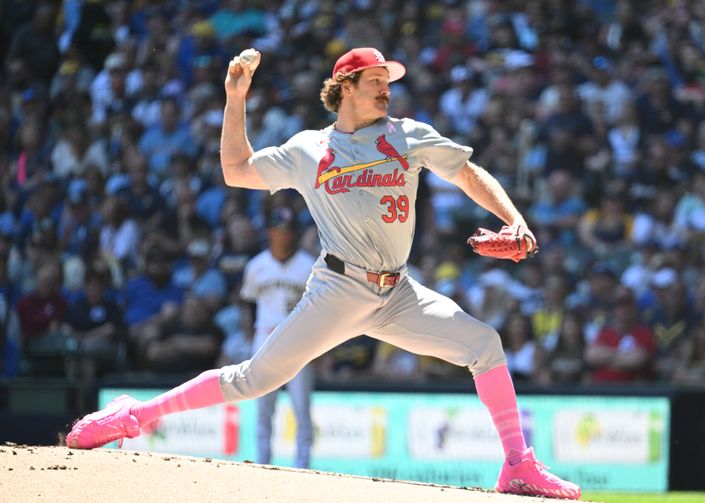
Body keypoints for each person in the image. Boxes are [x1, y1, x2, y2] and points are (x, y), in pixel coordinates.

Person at [66, 47, 580, 499]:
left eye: (388, 80)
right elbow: (235, 170)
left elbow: (467, 173)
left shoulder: (409, 136)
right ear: (346, 88)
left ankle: (517, 465)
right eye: (377, 80)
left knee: (485, 344)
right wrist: (236, 98)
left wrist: (513, 220)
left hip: (397, 290)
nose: (387, 88)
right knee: (254, 380)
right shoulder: (309, 149)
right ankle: (137, 414)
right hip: (339, 286)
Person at [241, 206, 315, 469]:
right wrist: (249, 336)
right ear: (270, 232)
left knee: (301, 410)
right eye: (280, 230)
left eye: (289, 230)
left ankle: (303, 467)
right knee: (263, 408)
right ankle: (262, 464)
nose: (285, 235)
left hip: (299, 343)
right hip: (264, 339)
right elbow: (247, 305)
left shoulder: (309, 266)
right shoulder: (256, 266)